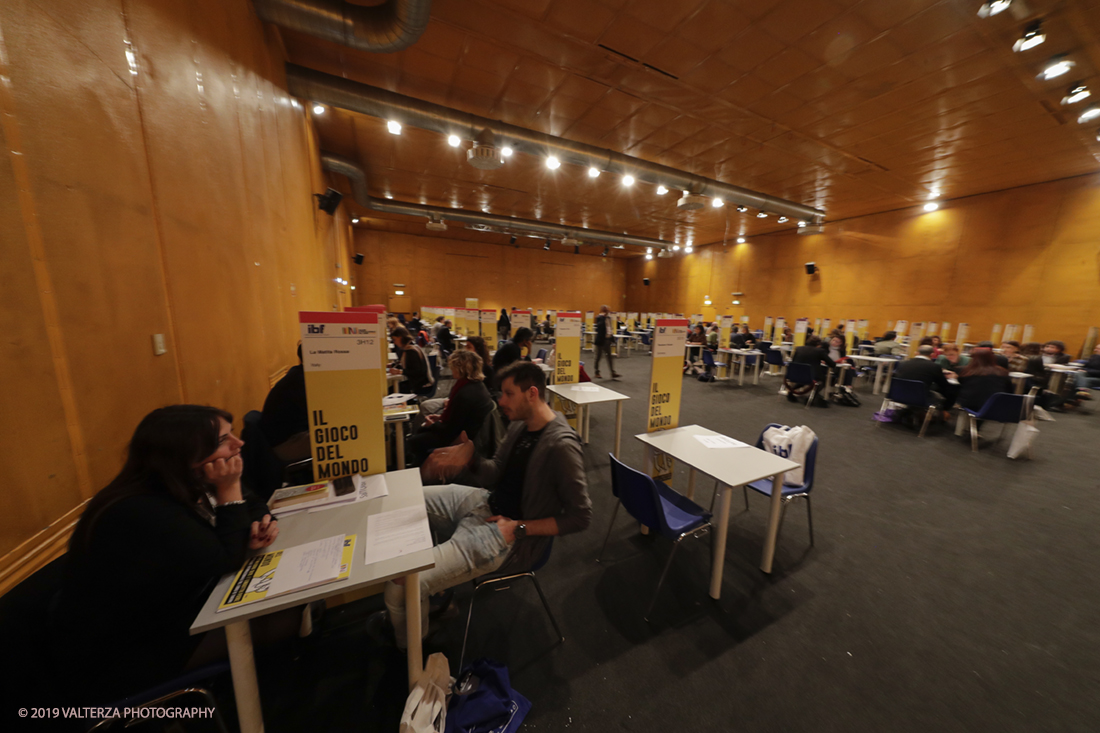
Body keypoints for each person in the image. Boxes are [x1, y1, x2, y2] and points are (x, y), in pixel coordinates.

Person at [50, 406, 282, 703]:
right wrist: (229, 487)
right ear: (186, 453)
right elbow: (224, 559)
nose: (239, 444)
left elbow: (251, 502)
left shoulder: (183, 479)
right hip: (127, 654)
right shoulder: (139, 507)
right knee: (275, 616)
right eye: (225, 439)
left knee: (279, 607)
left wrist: (262, 522)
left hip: (177, 610)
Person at [377, 362, 591, 648]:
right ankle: (432, 602)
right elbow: (497, 469)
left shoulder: (561, 445)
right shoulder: (521, 425)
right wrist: (472, 459)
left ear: (531, 393)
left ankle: (410, 649)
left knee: (401, 585)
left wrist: (520, 528)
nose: (500, 401)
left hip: (506, 536)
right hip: (484, 503)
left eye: (507, 394)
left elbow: (580, 517)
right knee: (404, 501)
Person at [406, 350, 495, 467]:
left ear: (460, 368)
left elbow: (450, 429)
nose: (451, 368)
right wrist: (439, 418)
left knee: (414, 440)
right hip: (467, 432)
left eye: (453, 366)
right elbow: (456, 419)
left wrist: (431, 425)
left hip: (460, 438)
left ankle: (421, 469)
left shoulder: (465, 393)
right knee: (421, 434)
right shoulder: (476, 385)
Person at [260, 344, 308, 462]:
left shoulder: (298, 374)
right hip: (286, 444)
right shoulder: (300, 382)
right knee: (339, 440)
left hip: (289, 437)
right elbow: (321, 414)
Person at [894, 344, 957, 412]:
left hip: (897, 395)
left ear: (917, 353)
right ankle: (944, 412)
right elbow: (943, 385)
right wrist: (952, 378)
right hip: (920, 398)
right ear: (932, 355)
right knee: (951, 389)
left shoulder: (903, 363)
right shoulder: (934, 366)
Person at [956, 348, 1012, 412]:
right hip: (996, 407)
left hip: (970, 405)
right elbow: (1009, 391)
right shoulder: (1002, 372)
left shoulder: (966, 371)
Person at [789, 335, 834, 403]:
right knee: (824, 380)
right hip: (811, 375)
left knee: (803, 379)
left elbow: (793, 360)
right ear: (818, 344)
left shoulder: (798, 348)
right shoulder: (820, 351)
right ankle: (812, 396)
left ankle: (791, 391)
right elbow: (832, 364)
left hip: (795, 374)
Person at [391, 326, 434, 397]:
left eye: (395, 339)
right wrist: (393, 365)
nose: (394, 342)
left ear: (401, 337)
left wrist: (400, 371)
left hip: (420, 384)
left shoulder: (411, 351)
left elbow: (417, 371)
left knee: (392, 390)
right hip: (419, 381)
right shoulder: (412, 347)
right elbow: (408, 365)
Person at [593, 305, 621, 379]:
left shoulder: (609, 318)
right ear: (603, 310)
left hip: (608, 340)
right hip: (600, 341)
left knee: (610, 357)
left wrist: (612, 339)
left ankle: (612, 372)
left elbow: (609, 329)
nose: (608, 311)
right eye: (607, 310)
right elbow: (599, 326)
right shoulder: (599, 317)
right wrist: (604, 317)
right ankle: (597, 372)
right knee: (598, 357)